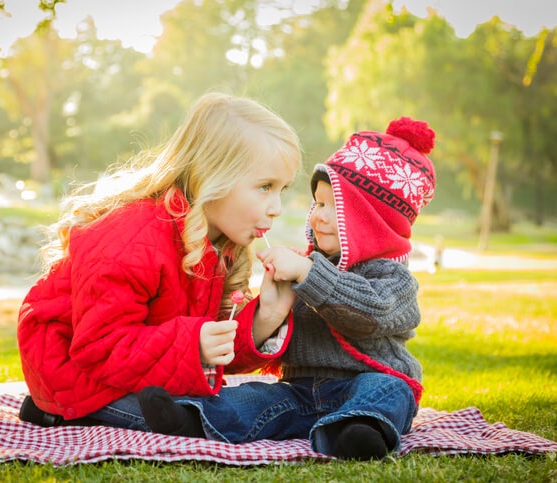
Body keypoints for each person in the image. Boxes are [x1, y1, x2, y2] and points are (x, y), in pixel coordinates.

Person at [137, 117, 437, 460]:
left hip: (368, 380)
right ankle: (191, 417)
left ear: (372, 222)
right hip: (302, 390)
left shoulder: (392, 277)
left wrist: (309, 274)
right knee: (257, 398)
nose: (315, 217)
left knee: (390, 392)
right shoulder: (304, 265)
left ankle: (358, 433)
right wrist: (273, 311)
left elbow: (371, 313)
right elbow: (282, 339)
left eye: (330, 207)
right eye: (317, 204)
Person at [17, 92, 302, 429]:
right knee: (210, 412)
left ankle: (188, 416)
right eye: (265, 187)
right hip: (75, 372)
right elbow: (98, 347)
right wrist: (193, 343)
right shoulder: (132, 237)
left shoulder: (217, 242)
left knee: (230, 402)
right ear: (214, 177)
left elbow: (213, 355)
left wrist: (267, 316)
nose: (276, 207)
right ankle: (56, 409)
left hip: (135, 367)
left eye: (282, 189)